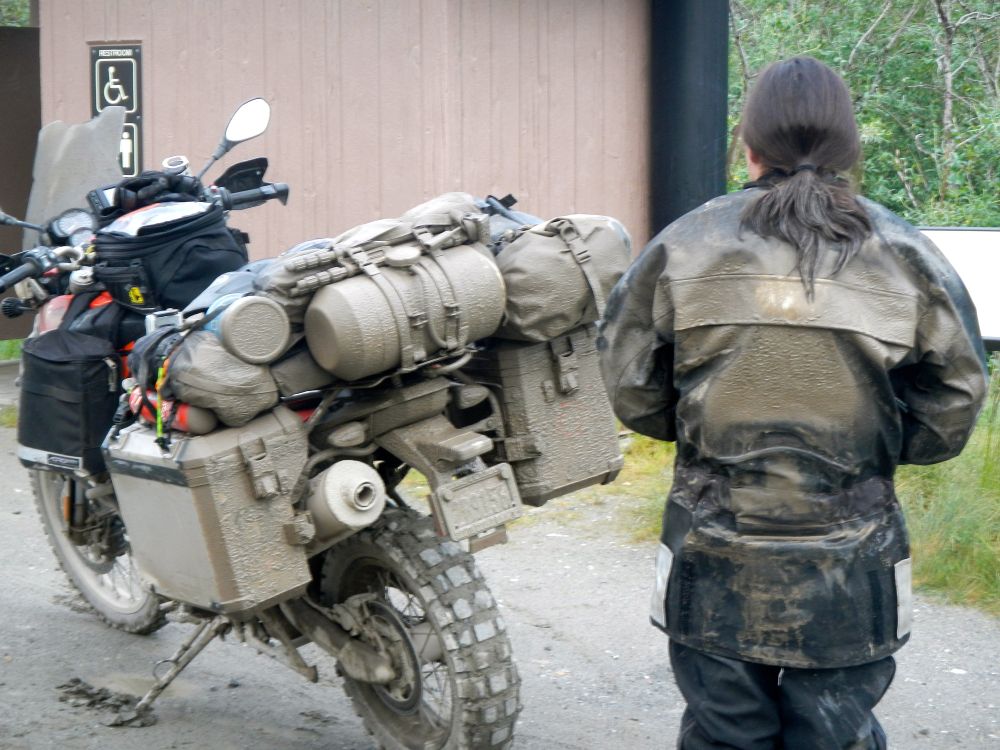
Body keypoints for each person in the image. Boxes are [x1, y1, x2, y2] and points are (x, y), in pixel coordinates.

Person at [598, 56, 988, 749]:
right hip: (854, 557)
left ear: (748, 147)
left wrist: (695, 438)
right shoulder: (905, 251)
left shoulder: (683, 244)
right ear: (849, 149)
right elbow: (957, 395)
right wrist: (874, 455)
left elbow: (628, 380)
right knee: (834, 735)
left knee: (723, 734)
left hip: (710, 544)